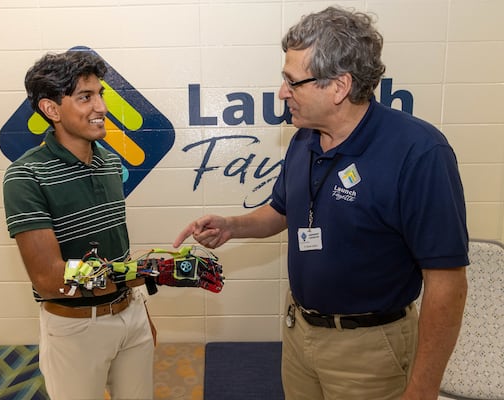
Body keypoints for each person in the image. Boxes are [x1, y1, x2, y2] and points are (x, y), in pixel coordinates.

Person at [174, 6, 468, 400]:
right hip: (300, 336)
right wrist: (233, 226)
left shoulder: (419, 153)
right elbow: (282, 211)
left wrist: (423, 388)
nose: (282, 93)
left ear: (339, 87)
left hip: (369, 352)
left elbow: (448, 285)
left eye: (292, 82)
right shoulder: (305, 138)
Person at [3, 49, 155, 400]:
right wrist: (133, 272)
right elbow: (49, 277)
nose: (101, 107)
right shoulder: (25, 176)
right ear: (51, 109)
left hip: (130, 316)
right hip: (74, 328)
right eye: (86, 97)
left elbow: (117, 249)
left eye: (100, 94)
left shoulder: (109, 162)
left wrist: (140, 308)